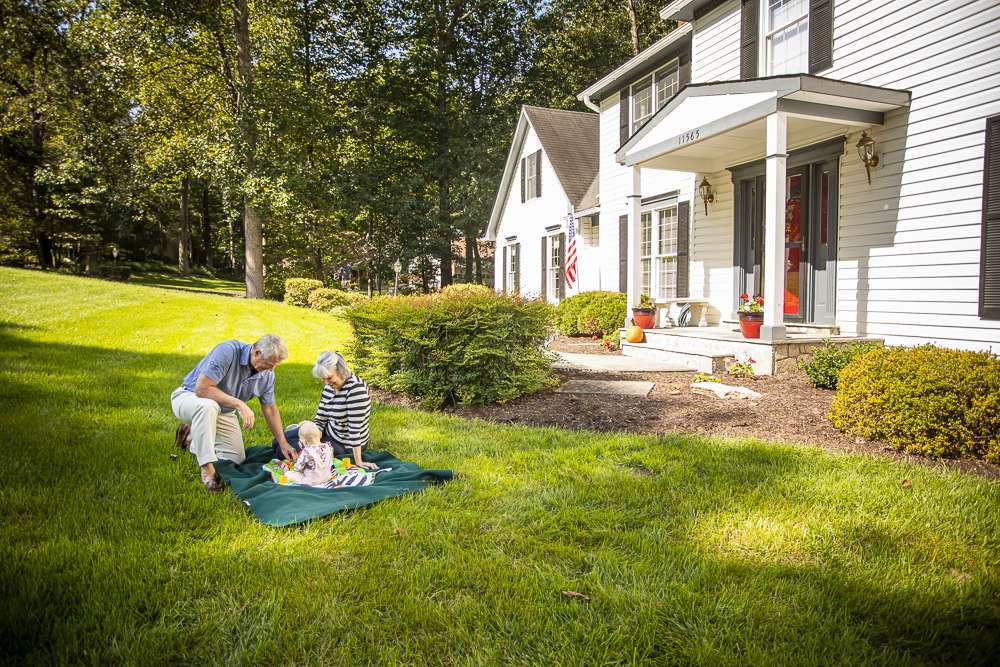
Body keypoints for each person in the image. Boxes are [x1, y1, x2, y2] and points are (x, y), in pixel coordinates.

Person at [171, 334, 296, 492]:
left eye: (274, 366)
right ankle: (207, 471)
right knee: (208, 406)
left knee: (235, 459)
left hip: (223, 411)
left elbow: (270, 408)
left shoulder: (268, 375)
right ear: (256, 352)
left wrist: (283, 442)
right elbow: (202, 389)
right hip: (190, 398)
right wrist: (239, 404)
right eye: (269, 364)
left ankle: (190, 436)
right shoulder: (228, 351)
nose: (271, 370)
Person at [310, 351, 377, 470]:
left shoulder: (356, 389)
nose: (326, 383)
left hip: (346, 444)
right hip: (331, 433)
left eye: (329, 378)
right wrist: (313, 439)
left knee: (288, 448)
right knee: (283, 441)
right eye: (323, 379)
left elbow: (354, 429)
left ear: (340, 371)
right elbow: (320, 419)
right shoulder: (330, 386)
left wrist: (359, 462)